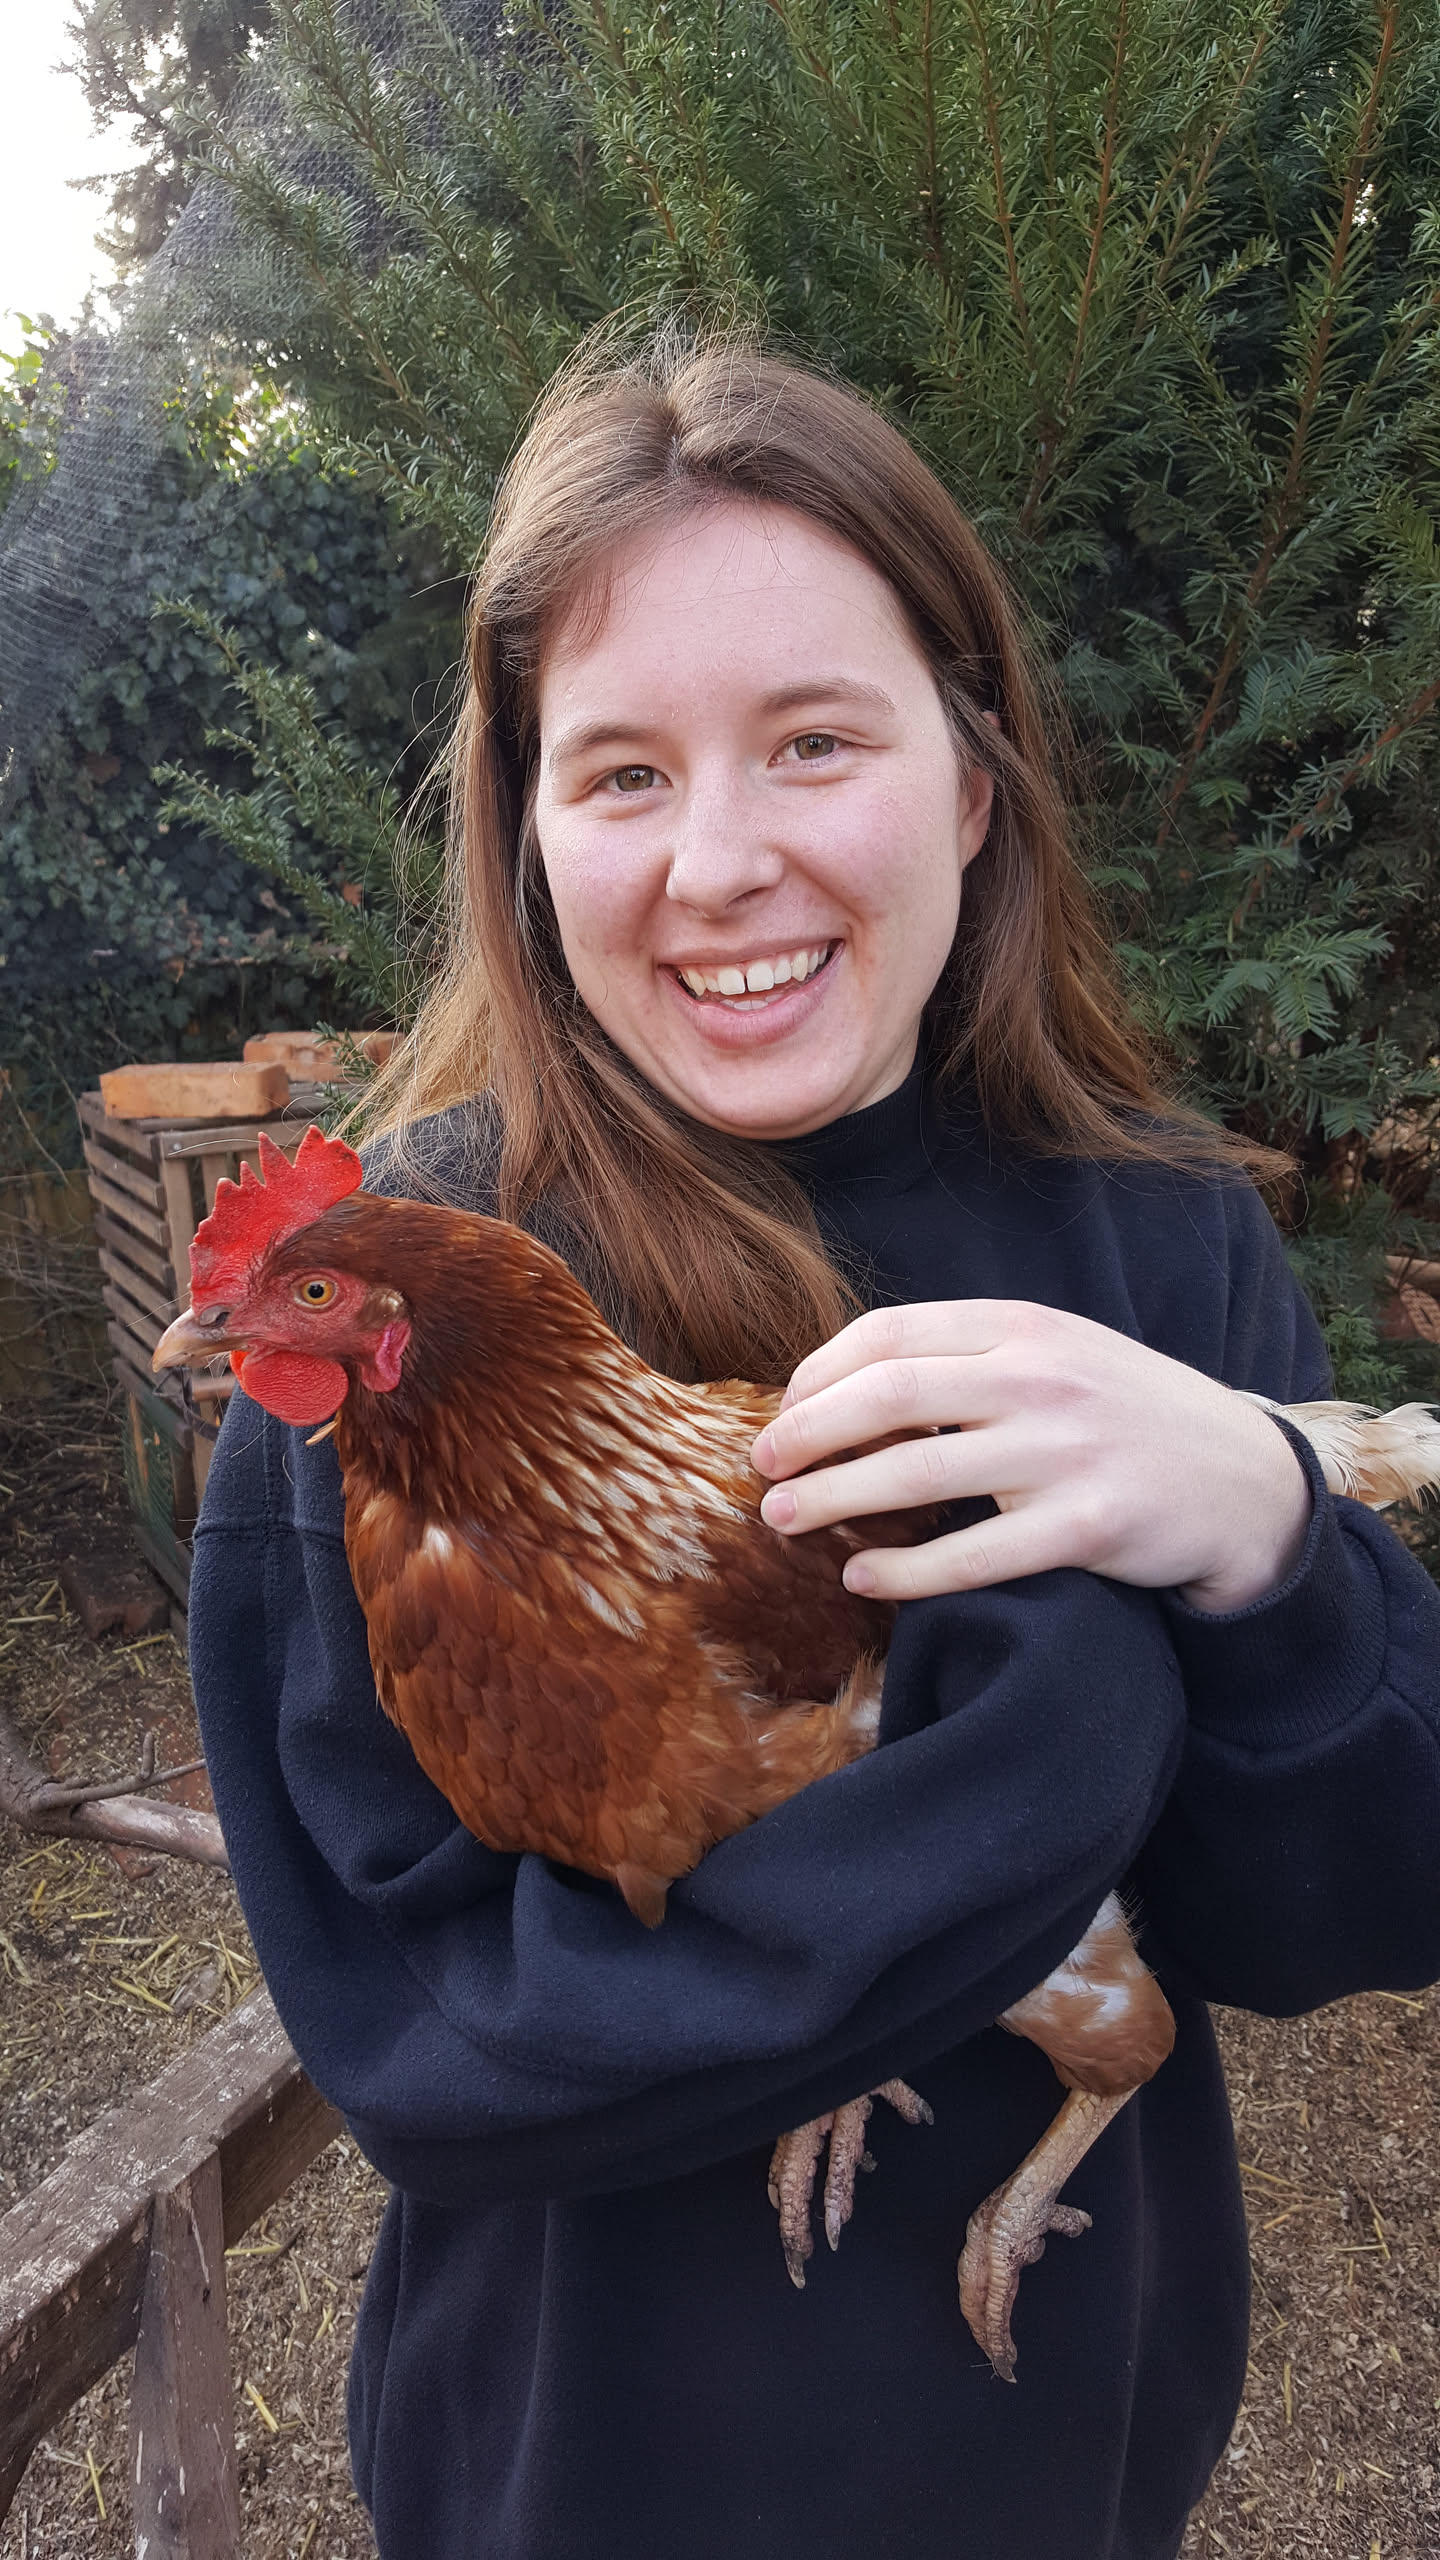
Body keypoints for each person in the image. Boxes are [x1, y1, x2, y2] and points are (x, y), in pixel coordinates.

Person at [188, 334, 1440, 2560]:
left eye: (816, 741)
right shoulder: (392, 1338)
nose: (722, 861)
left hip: (1061, 2463)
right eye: (622, 772)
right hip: (565, 2478)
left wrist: (1262, 1530)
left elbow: (1348, 1905)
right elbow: (430, 2049)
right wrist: (1079, 1699)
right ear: (528, 833)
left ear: (970, 783)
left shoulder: (1159, 1242)